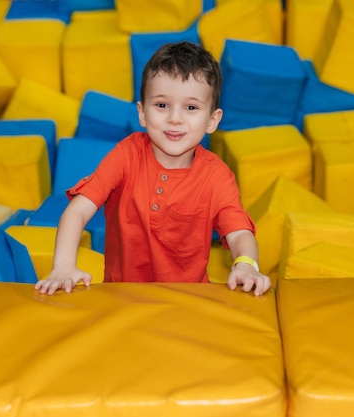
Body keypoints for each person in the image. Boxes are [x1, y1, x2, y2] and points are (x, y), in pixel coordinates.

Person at [35, 41, 271, 296]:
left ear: (212, 120)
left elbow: (239, 233)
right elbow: (78, 211)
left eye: (191, 107)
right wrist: (63, 266)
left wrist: (246, 265)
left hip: (188, 301)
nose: (175, 118)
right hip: (122, 297)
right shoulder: (126, 156)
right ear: (142, 113)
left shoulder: (217, 176)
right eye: (162, 105)